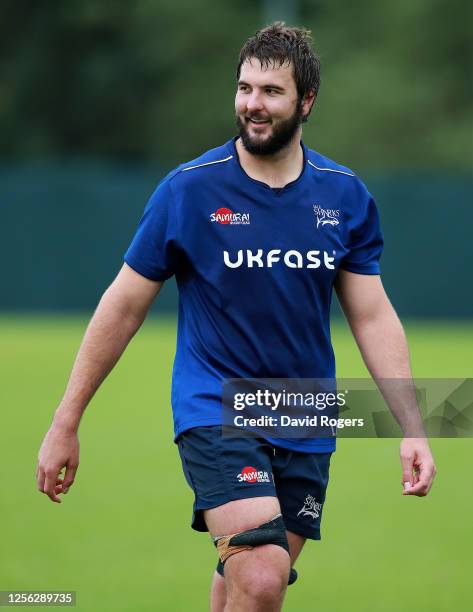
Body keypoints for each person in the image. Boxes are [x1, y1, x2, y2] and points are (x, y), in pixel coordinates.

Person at [37, 23, 437, 612]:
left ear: (306, 102)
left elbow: (373, 317)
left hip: (306, 410)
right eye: (245, 87)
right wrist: (65, 420)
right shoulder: (189, 191)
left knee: (243, 586)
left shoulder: (344, 196)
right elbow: (122, 306)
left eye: (271, 91)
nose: (253, 103)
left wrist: (413, 427)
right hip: (215, 405)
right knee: (263, 575)